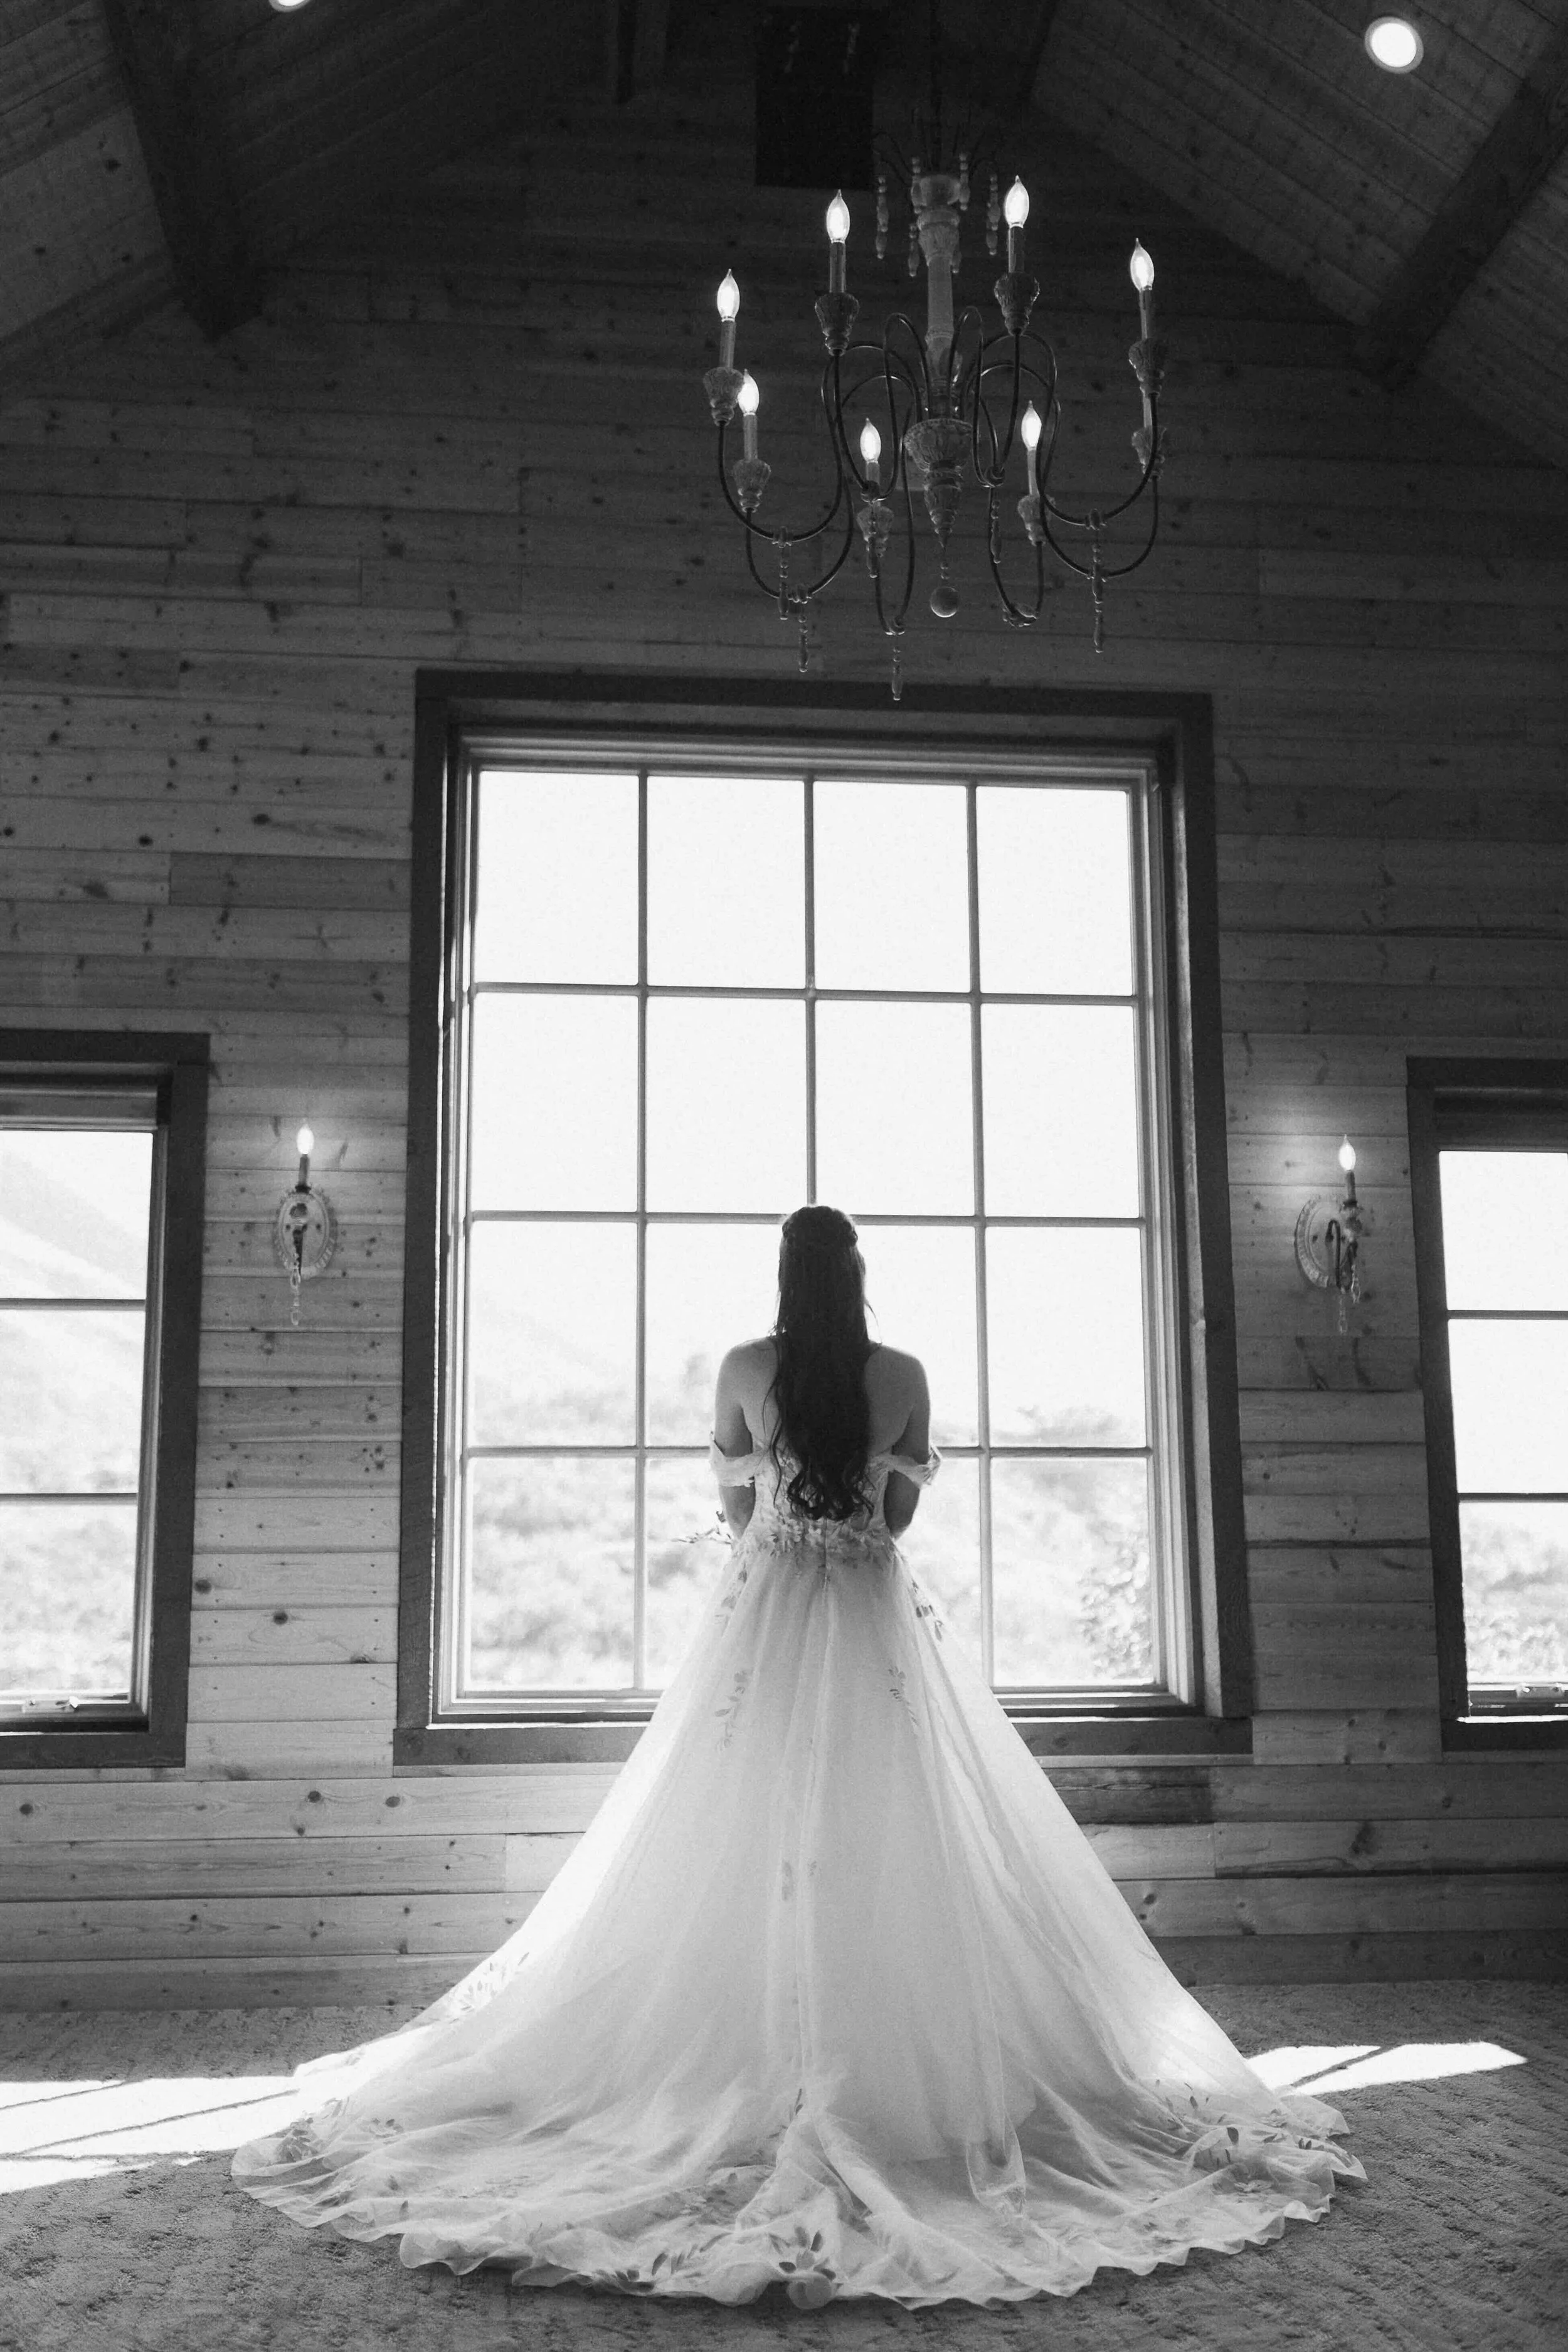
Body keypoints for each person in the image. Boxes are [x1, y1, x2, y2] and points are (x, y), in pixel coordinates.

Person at [233, 1204, 1361, 2305]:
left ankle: (732, 2062)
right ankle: (900, 2082)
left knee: (733, 1823)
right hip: (869, 1608)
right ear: (856, 1273)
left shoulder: (741, 1364)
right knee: (893, 1826)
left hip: (766, 1610)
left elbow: (733, 1501)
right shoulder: (904, 1370)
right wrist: (846, 1520)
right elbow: (902, 1514)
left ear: (785, 1273)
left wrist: (779, 1524)